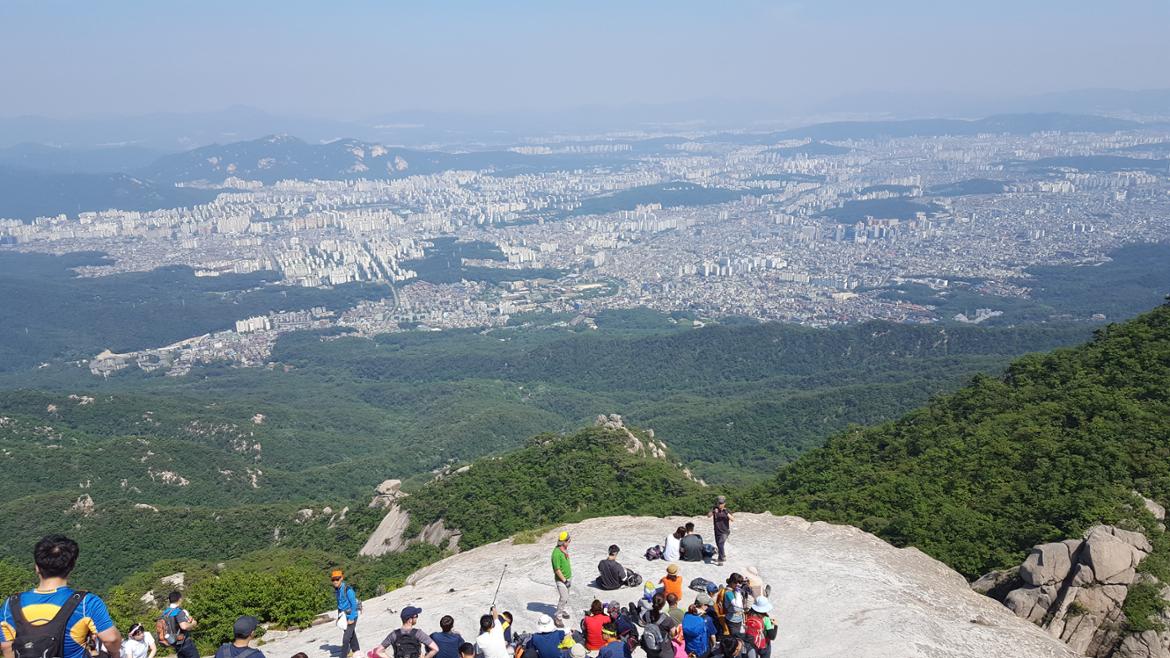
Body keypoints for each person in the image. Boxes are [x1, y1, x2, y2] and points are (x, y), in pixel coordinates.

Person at [0, 535, 122, 658]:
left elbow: (6, 646)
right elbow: (111, 639)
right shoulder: (87, 603)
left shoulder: (11, 604)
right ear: (71, 567)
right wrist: (114, 654)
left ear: (37, 567)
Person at [333, 570, 360, 658]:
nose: (335, 581)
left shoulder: (348, 590)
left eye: (337, 579)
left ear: (341, 578)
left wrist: (351, 618)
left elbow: (354, 604)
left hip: (351, 615)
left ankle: (343, 656)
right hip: (343, 617)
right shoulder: (337, 590)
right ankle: (357, 651)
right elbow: (340, 605)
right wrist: (339, 617)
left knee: (346, 639)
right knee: (351, 635)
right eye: (333, 580)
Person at [162, 591, 198, 658]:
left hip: (174, 643)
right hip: (185, 642)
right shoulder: (178, 612)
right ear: (180, 599)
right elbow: (184, 626)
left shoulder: (165, 613)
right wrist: (193, 624)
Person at [551, 532, 573, 621]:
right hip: (561, 580)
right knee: (563, 598)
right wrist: (565, 581)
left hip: (568, 577)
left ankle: (562, 609)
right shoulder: (556, 554)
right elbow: (557, 570)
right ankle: (558, 616)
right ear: (564, 542)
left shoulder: (564, 549)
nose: (569, 542)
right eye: (568, 541)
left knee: (566, 597)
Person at [707, 497, 733, 566]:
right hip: (717, 530)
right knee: (719, 545)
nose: (720, 505)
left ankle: (720, 559)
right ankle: (723, 556)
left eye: (721, 503)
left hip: (725, 531)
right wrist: (713, 511)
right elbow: (708, 516)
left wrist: (726, 513)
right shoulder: (714, 509)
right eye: (719, 503)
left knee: (721, 544)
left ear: (724, 504)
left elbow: (732, 519)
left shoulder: (727, 510)